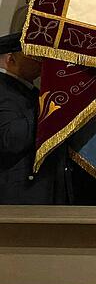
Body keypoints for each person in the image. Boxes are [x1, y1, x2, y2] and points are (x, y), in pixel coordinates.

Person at [0, 32, 69, 204]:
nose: (41, 61)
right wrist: (50, 107)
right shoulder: (3, 89)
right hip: (16, 196)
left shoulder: (27, 91)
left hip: (37, 193)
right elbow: (9, 138)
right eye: (33, 55)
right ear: (11, 58)